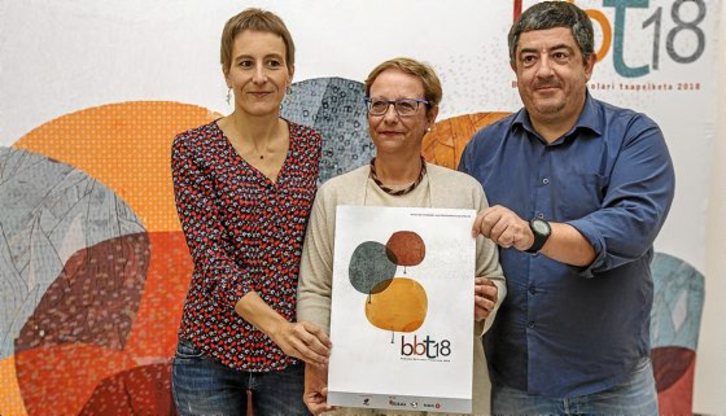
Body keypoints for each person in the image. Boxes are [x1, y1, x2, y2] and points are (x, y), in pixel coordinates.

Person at [459, 2, 676, 415]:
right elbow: (464, 251)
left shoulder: (634, 137)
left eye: (559, 55)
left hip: (613, 386)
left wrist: (534, 234)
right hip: (516, 386)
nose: (543, 71)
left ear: (588, 65)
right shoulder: (482, 149)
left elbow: (628, 228)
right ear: (515, 70)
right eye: (529, 59)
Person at [297, 57, 506, 416]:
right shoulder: (335, 195)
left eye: (406, 106)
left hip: (443, 391)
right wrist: (316, 364)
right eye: (378, 104)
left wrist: (485, 300)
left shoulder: (465, 192)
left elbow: (494, 279)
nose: (390, 117)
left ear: (431, 115)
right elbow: (315, 289)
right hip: (357, 392)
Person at [170, 8, 331, 416]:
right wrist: (278, 327)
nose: (260, 77)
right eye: (246, 64)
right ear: (227, 73)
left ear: (290, 72)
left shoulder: (311, 146)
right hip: (211, 349)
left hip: (291, 356)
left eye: (272, 63)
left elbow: (328, 241)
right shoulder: (193, 149)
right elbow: (211, 257)